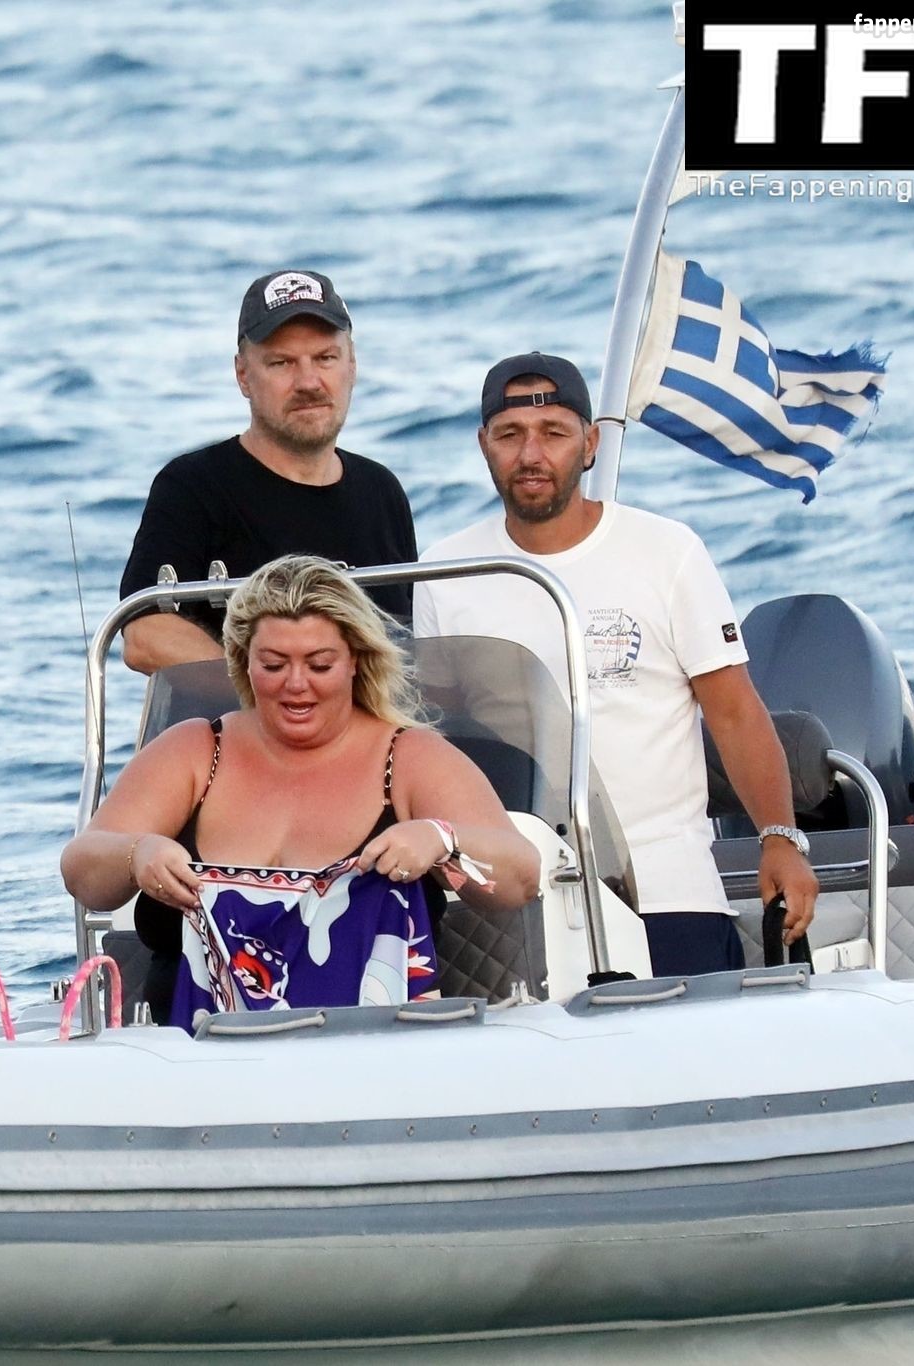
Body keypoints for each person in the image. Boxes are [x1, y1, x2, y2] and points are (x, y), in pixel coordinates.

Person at [413, 353, 820, 976]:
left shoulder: (668, 552)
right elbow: (440, 742)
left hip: (669, 890)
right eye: (510, 434)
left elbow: (736, 713)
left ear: (591, 444)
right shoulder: (446, 571)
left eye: (554, 433)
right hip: (520, 895)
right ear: (483, 445)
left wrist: (781, 840)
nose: (531, 455)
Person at [65, 555, 540, 1029]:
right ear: (244, 663)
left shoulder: (412, 757)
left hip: (375, 1051)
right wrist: (137, 854)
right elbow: (82, 870)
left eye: (319, 664)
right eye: (274, 665)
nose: (296, 684)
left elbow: (520, 878)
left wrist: (442, 840)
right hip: (195, 1054)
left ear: (355, 661)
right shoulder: (194, 751)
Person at [118, 269, 417, 675]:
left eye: (325, 358)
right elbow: (145, 635)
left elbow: (408, 645)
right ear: (243, 375)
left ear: (352, 365)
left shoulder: (382, 491)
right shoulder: (192, 487)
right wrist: (272, 693)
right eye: (282, 363)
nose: (308, 381)